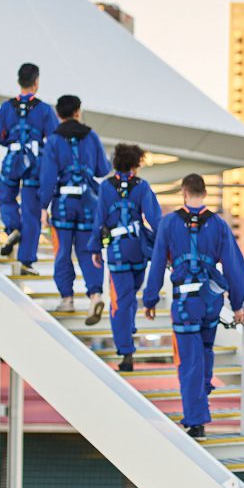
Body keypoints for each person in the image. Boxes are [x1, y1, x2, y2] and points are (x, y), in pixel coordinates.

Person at [141, 174, 244, 437]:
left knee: (189, 360)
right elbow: (234, 266)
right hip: (211, 301)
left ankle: (195, 419)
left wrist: (150, 298)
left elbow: (157, 264)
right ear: (205, 193)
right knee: (205, 351)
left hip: (185, 302)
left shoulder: (168, 223)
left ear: (184, 193)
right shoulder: (219, 225)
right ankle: (201, 398)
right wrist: (238, 303)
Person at [88, 143, 162, 371]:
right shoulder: (142, 186)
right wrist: (165, 246)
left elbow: (99, 218)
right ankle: (128, 329)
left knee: (120, 301)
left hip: (117, 251)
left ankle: (126, 351)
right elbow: (155, 218)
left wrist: (95, 248)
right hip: (138, 249)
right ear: (136, 164)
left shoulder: (106, 188)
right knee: (130, 295)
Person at [39, 95, 111, 316]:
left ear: (58, 114)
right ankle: (95, 296)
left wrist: (44, 206)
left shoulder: (53, 140)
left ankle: (67, 298)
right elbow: (103, 169)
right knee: (88, 251)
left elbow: (48, 177)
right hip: (89, 203)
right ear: (78, 112)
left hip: (63, 204)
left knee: (62, 252)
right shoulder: (91, 137)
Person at [0, 63, 59, 275]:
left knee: (6, 198)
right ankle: (26, 260)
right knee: (31, 210)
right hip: (35, 163)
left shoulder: (6, 108)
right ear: (36, 82)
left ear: (19, 81)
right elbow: (54, 139)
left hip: (12, 160)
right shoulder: (44, 109)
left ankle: (13, 228)